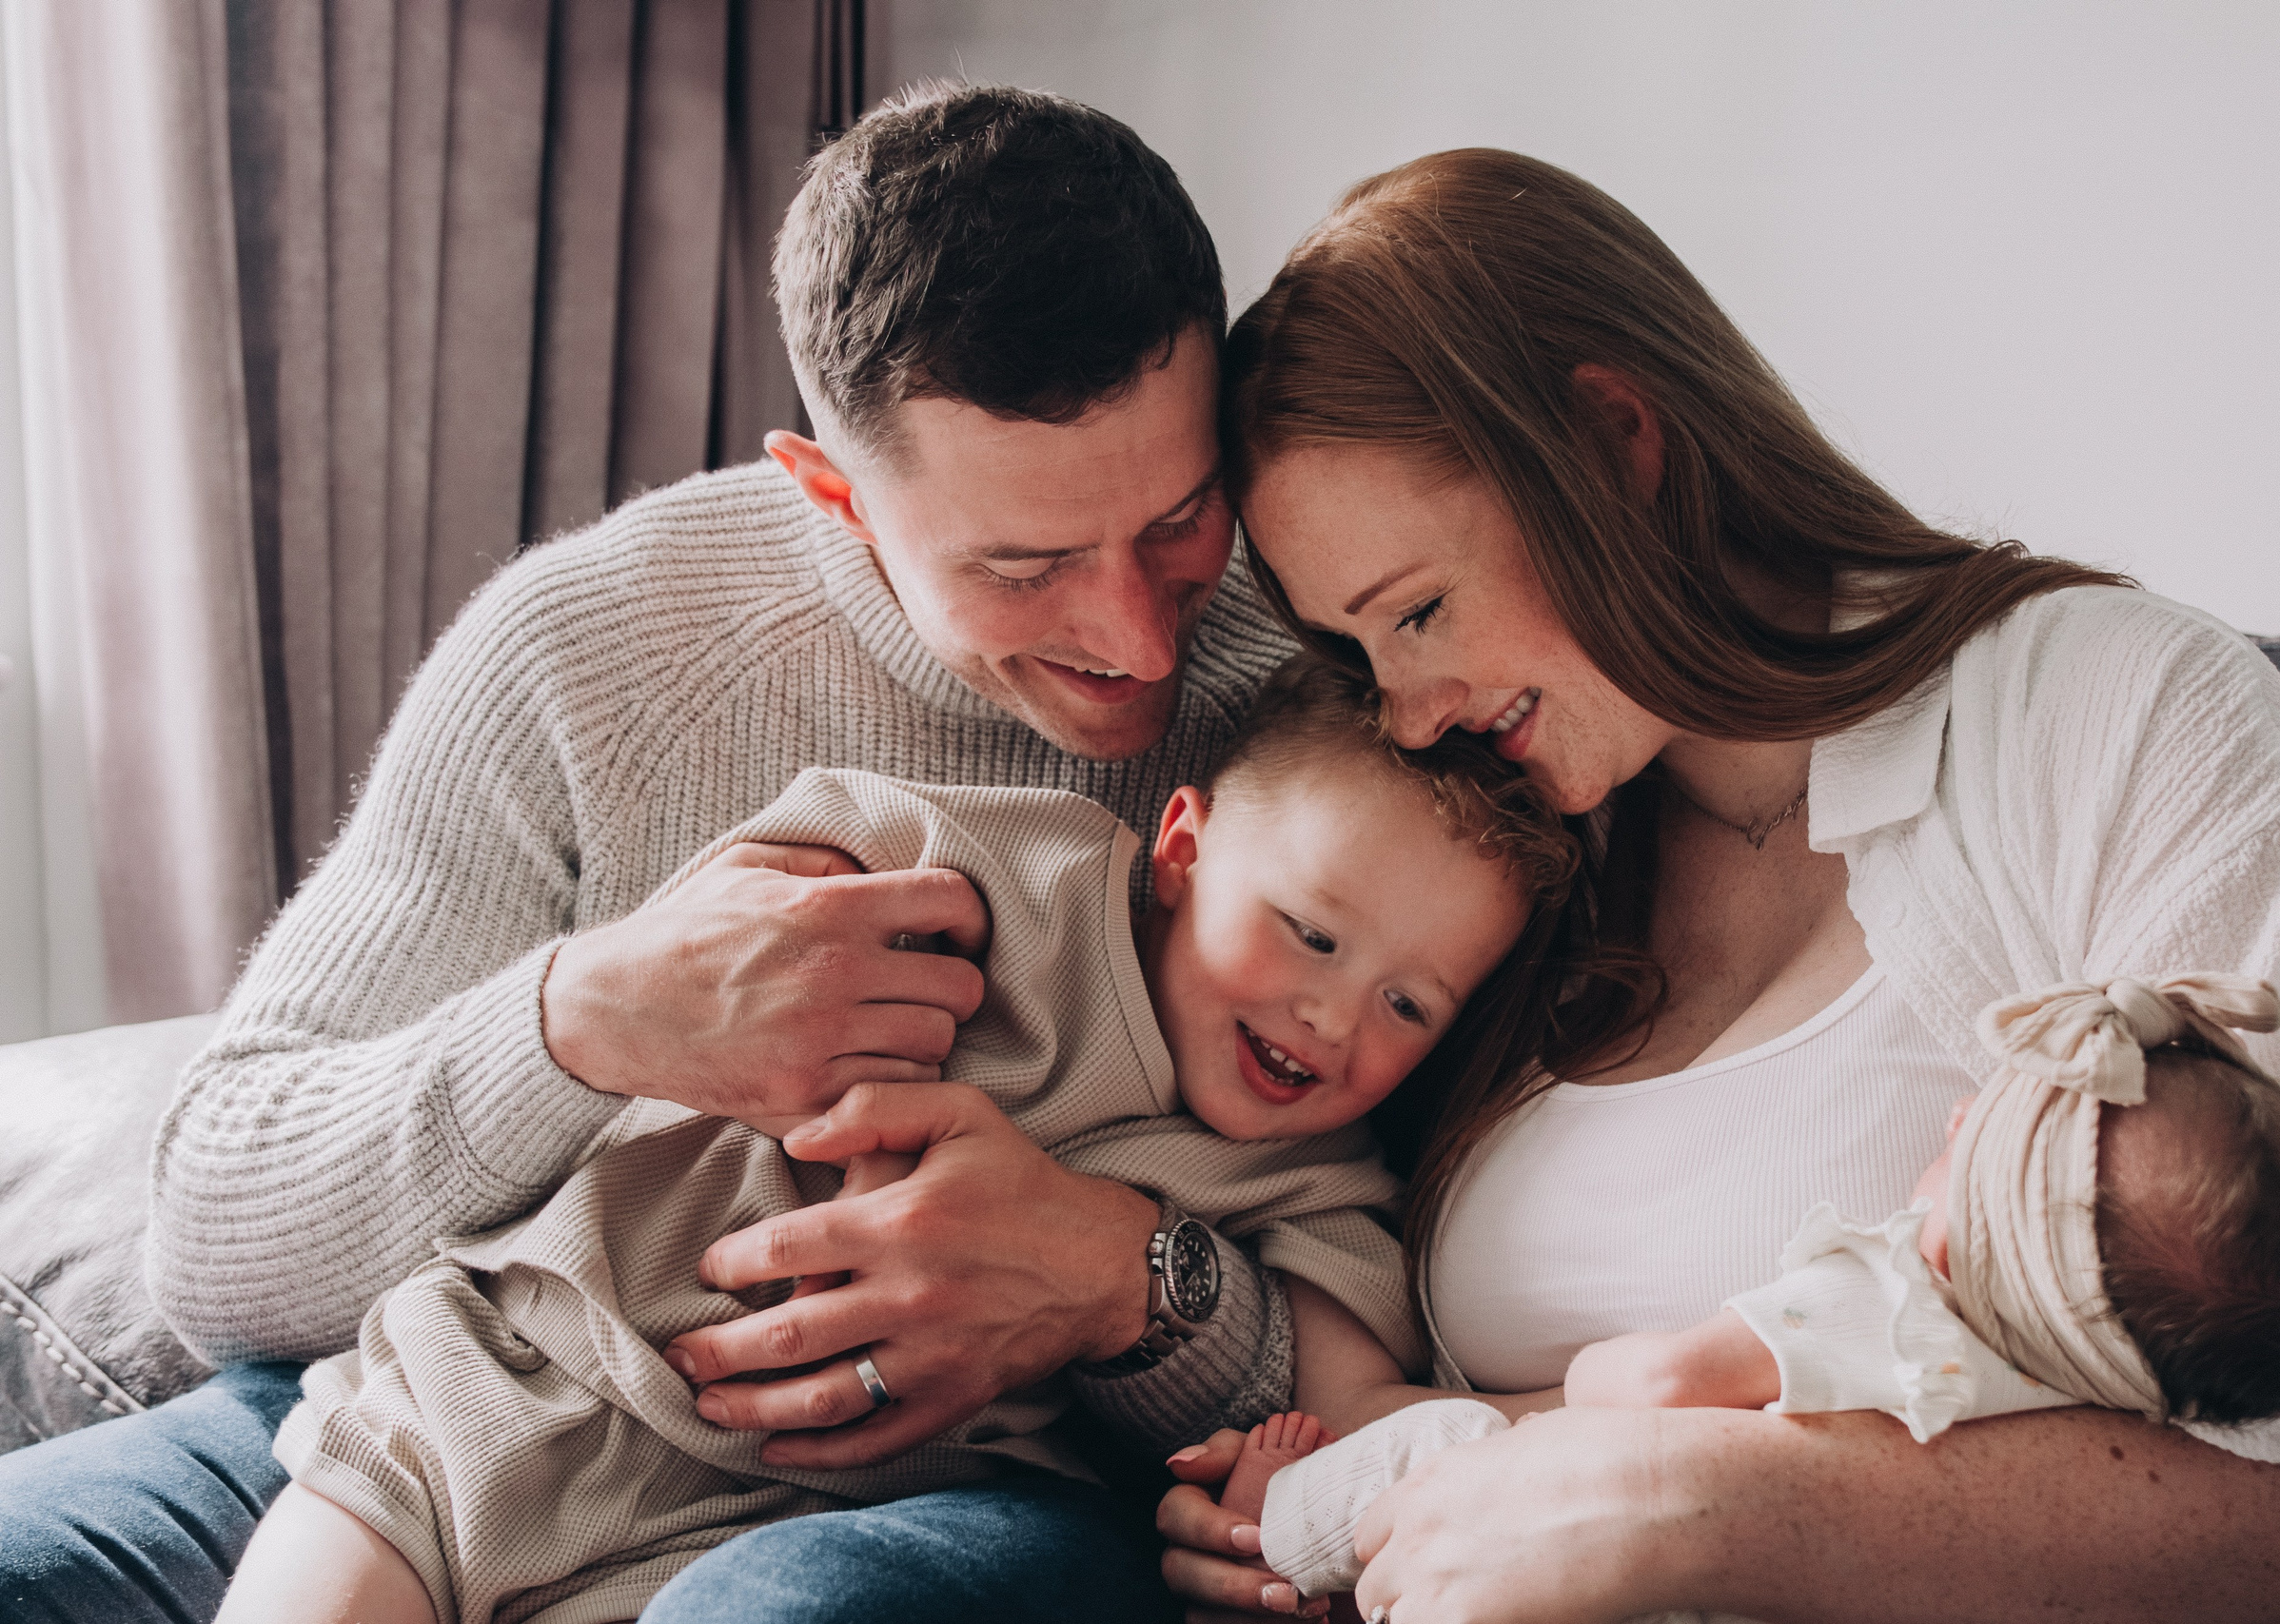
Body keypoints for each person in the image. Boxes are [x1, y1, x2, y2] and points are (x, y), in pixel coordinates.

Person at [0, 84, 1305, 1624]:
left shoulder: (1319, 688)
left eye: (1179, 519)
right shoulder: (591, 648)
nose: (1139, 633)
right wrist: (580, 1021)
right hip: (481, 1393)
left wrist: (1128, 1280)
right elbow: (214, 1241)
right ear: (833, 495)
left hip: (962, 1488)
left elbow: (1403, 1280)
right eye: (1023, 568)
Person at [1155, 147, 2280, 1624]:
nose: (1409, 711)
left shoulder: (2115, 709)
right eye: (1359, 656)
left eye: (1421, 611)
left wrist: (1700, 1501)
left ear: (1616, 440)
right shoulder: (1501, 861)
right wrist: (1332, 1500)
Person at [216, 656, 1580, 1624]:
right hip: (507, 1387)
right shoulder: (995, 874)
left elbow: (1370, 1409)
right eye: (1312, 931)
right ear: (1182, 846)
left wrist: (1369, 1472)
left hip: (767, 1518)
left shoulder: (1325, 1180)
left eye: (1410, 1000)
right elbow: (751, 912)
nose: (1332, 1013)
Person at [1238, 975, 2280, 1612]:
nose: (1953, 1114)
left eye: (1977, 1143)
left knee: (1447, 1447)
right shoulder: (2105, 1418)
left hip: (1636, 1582)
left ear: (1965, 1250)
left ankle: (1282, 1524)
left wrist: (1598, 1382)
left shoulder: (1893, 1306)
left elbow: (1642, 1385)